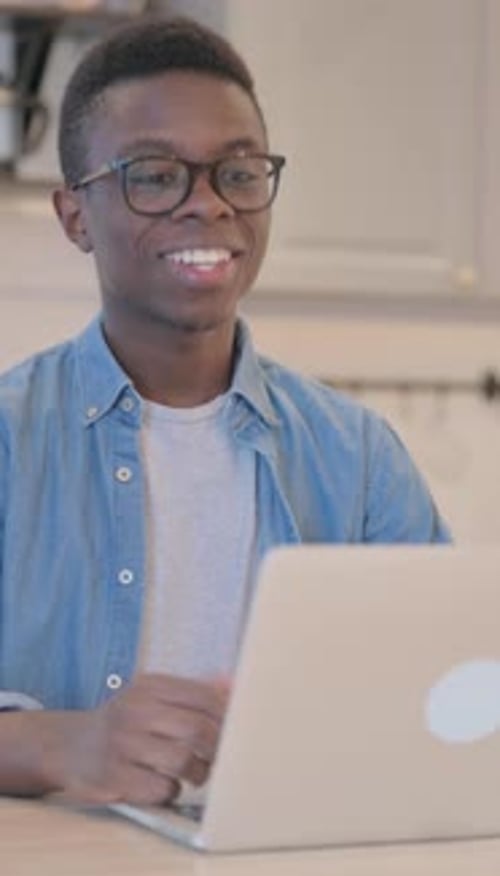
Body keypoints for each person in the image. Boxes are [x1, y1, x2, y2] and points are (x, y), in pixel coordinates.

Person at [0, 17, 450, 806]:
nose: (207, 205)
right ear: (76, 217)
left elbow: (446, 693)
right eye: (153, 173)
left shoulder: (361, 457)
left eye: (237, 173)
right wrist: (69, 743)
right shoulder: (10, 440)